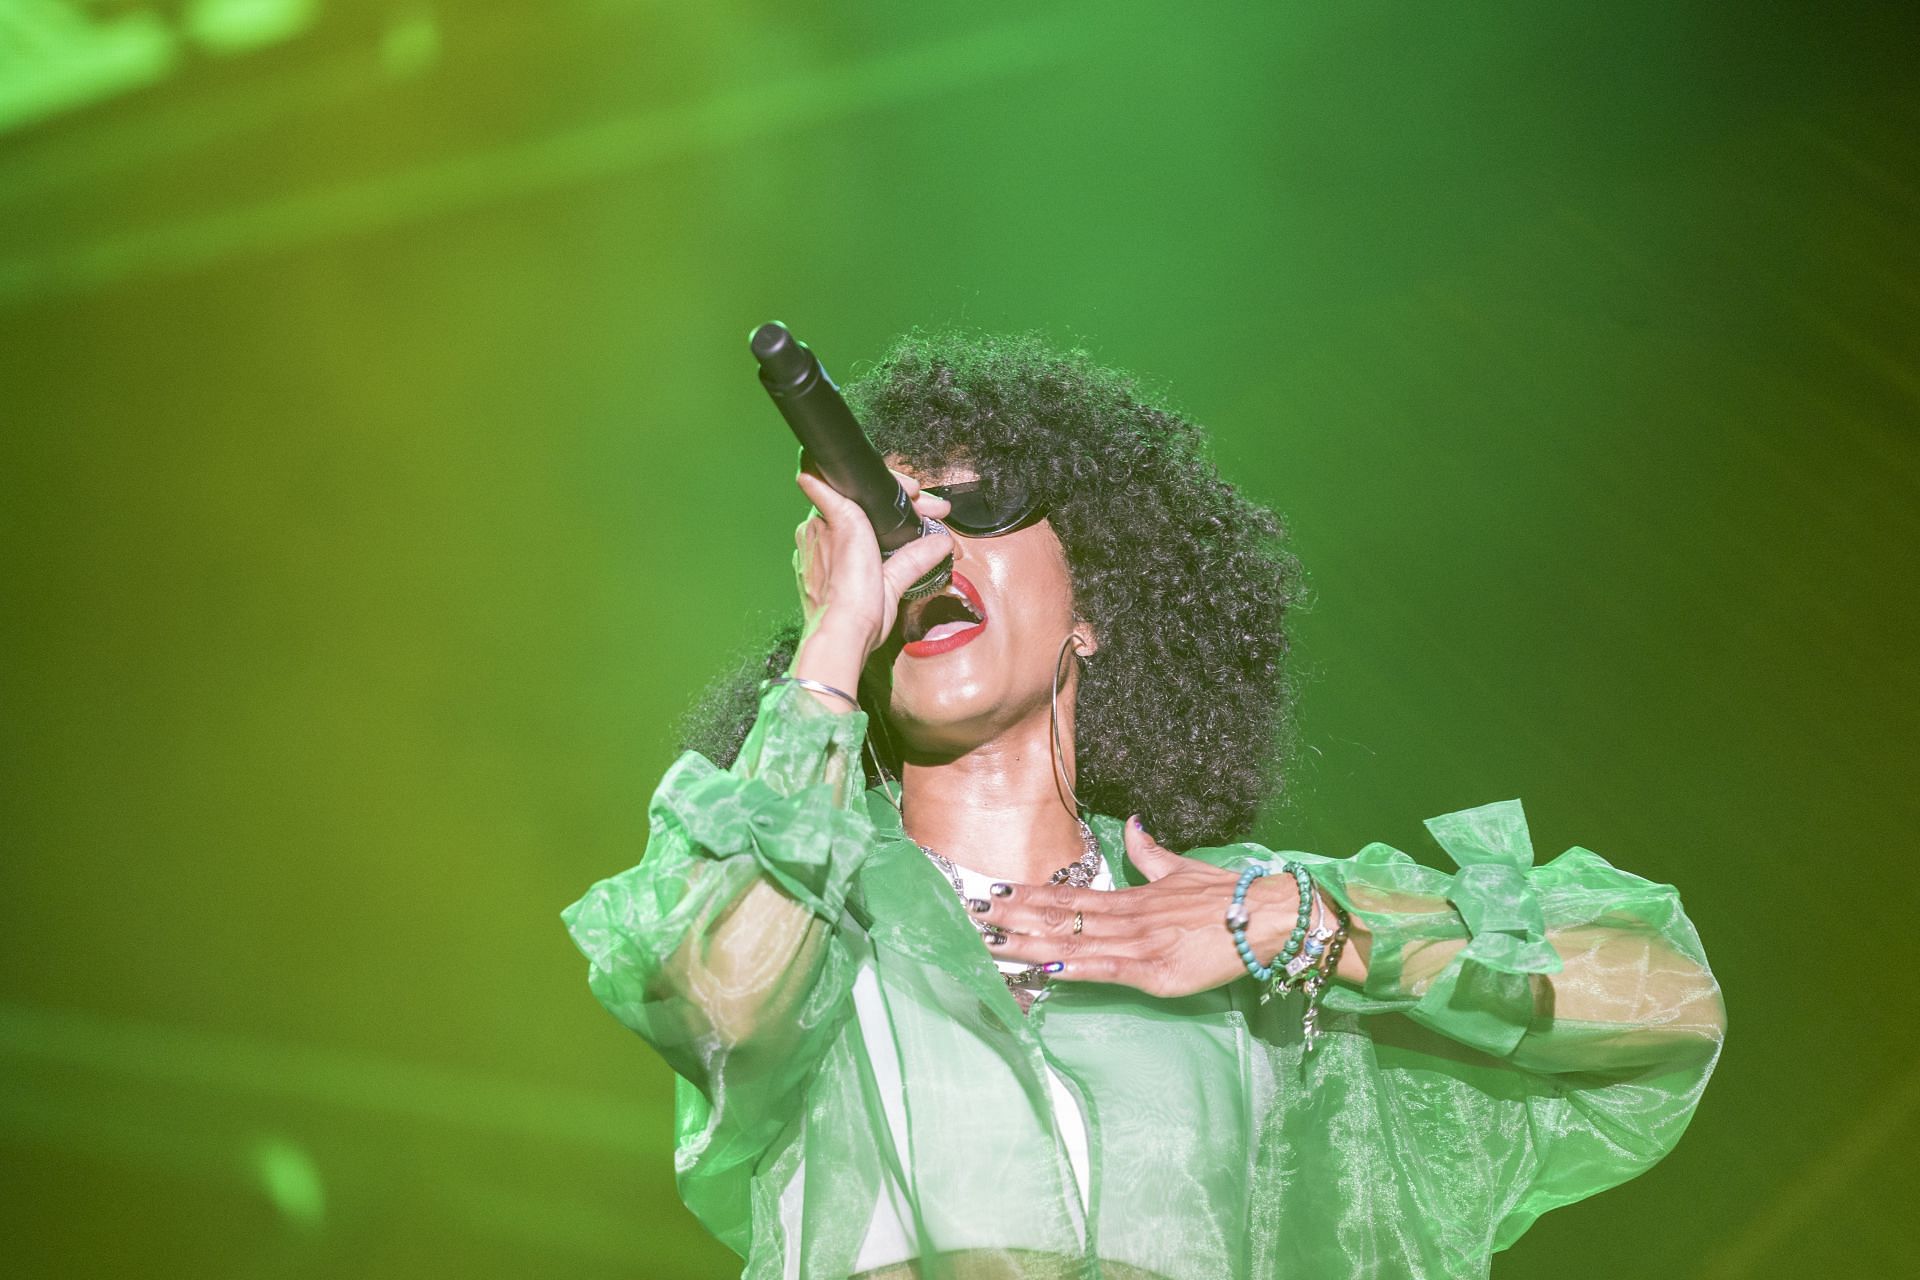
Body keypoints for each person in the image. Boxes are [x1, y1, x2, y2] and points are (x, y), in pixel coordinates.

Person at [561, 332, 1726, 1280]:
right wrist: (829, 648)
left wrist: (1334, 936)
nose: (926, 546)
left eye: (977, 506)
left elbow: (1670, 1008)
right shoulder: (802, 919)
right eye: (894, 522)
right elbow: (709, 999)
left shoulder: (1241, 921)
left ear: (1094, 603)